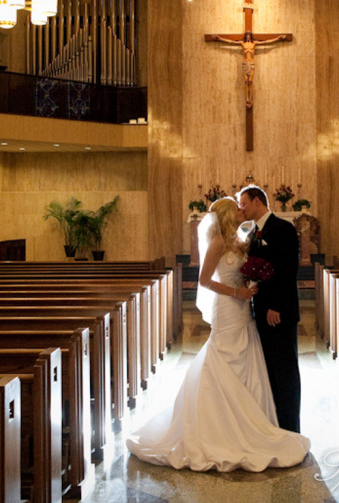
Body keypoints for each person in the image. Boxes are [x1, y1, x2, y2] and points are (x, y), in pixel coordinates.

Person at [127, 197, 309, 471]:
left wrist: (248, 283)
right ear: (225, 215)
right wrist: (237, 291)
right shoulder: (218, 242)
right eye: (236, 208)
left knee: (246, 355)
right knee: (224, 355)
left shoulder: (239, 239)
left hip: (244, 308)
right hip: (228, 307)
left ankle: (249, 421)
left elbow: (252, 268)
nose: (241, 210)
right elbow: (204, 280)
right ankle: (220, 425)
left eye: (243, 205)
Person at [237, 184, 302, 433]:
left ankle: (290, 426)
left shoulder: (283, 228)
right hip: (261, 309)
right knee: (270, 368)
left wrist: (275, 305)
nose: (241, 208)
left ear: (257, 201)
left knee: (285, 367)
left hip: (279, 311)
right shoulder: (253, 232)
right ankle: (275, 423)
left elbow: (287, 270)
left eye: (243, 203)